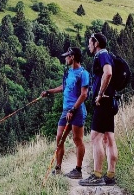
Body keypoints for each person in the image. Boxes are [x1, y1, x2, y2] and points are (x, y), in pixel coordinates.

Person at [41, 47, 89, 179]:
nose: (65, 58)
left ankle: (78, 170)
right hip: (65, 110)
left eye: (67, 56)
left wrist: (73, 109)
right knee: (59, 138)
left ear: (72, 57)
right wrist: (49, 92)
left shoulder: (83, 73)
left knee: (77, 139)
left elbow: (84, 94)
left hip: (77, 110)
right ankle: (58, 168)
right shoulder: (68, 72)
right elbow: (64, 87)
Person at [79, 32, 118, 186]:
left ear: (96, 43)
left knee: (95, 137)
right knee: (109, 138)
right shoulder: (107, 55)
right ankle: (110, 175)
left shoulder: (102, 55)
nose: (88, 45)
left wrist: (100, 94)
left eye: (90, 42)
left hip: (103, 102)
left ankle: (97, 175)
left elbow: (108, 73)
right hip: (110, 102)